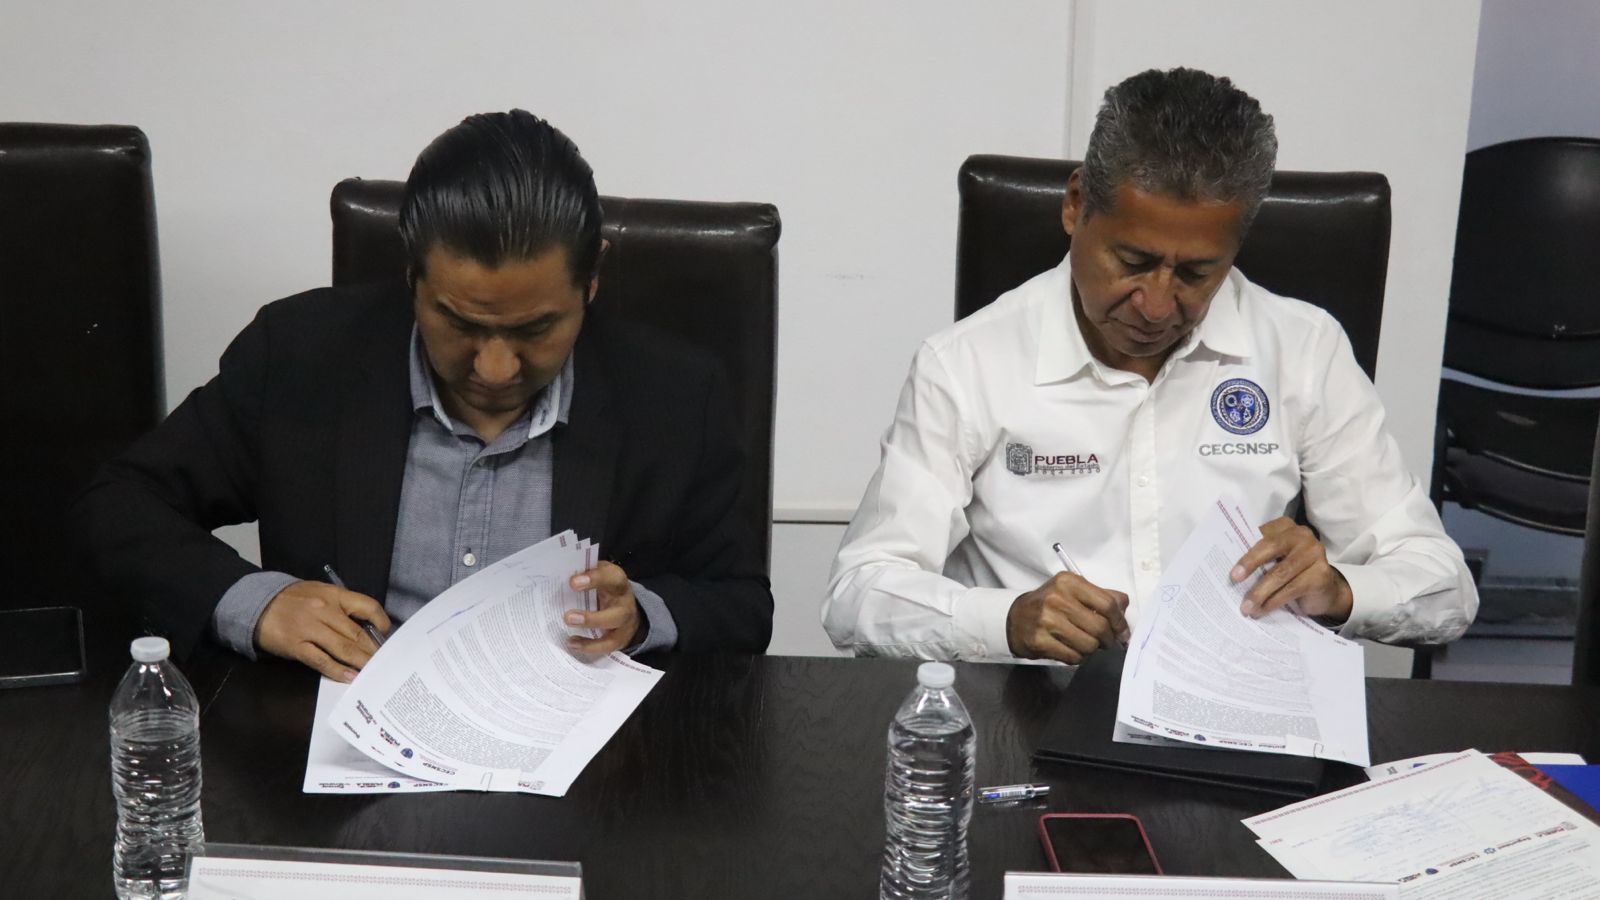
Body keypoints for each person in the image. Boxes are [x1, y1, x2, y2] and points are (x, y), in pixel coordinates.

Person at [75, 110, 772, 680]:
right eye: (460, 324)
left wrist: (640, 616)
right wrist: (258, 602)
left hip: (581, 766)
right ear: (412, 276)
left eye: (535, 329)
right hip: (334, 741)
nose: (494, 369)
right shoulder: (300, 356)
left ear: (592, 282)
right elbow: (120, 505)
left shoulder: (676, 395)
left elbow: (740, 607)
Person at [823, 68, 1477, 664]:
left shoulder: (1304, 349)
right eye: (1133, 262)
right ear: (1075, 205)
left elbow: (1444, 585)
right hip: (1031, 708)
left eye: (1196, 273)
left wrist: (1338, 590)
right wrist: (1005, 621)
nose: (1158, 306)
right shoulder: (964, 365)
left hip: (1238, 701)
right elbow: (859, 592)